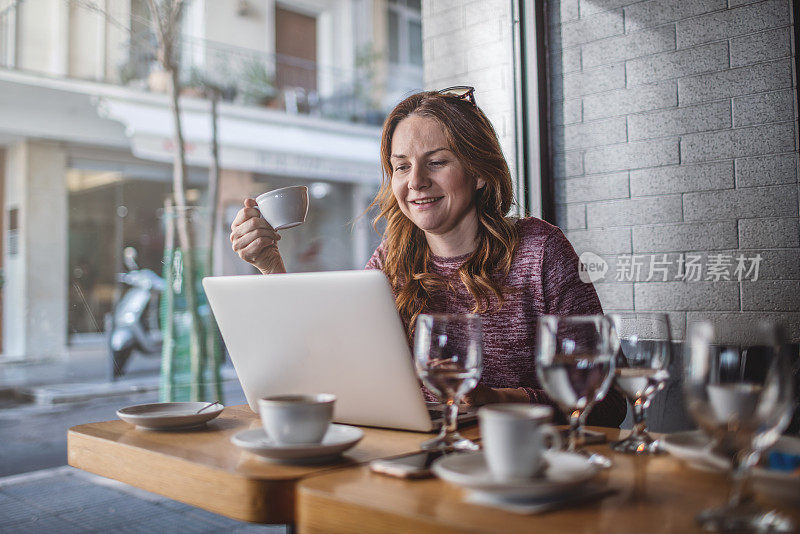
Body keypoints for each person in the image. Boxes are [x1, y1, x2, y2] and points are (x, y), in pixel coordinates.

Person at [229, 87, 626, 428]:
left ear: (479, 172)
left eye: (436, 162)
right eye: (401, 167)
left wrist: (503, 400)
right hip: (416, 457)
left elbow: (607, 401)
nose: (415, 181)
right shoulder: (391, 260)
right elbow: (321, 361)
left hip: (519, 461)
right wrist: (270, 266)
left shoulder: (540, 250)